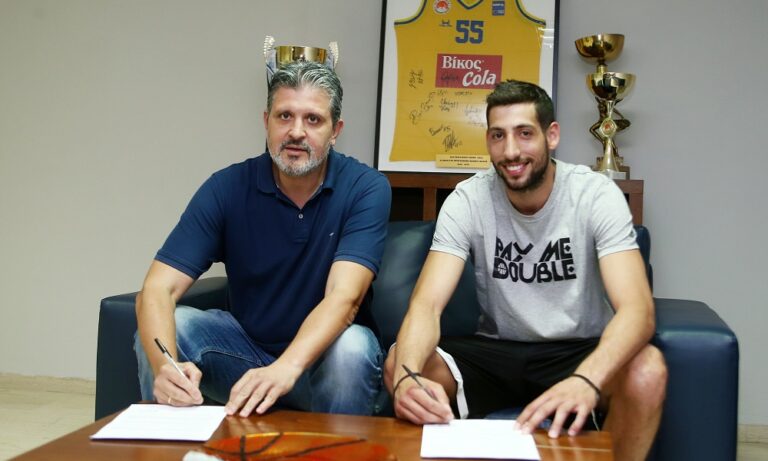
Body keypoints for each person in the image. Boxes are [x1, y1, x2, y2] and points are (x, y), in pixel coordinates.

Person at [384, 80, 666, 461]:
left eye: (525, 133)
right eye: (498, 136)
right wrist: (406, 379)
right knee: (401, 362)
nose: (511, 151)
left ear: (552, 136)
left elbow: (638, 310)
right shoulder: (468, 199)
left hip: (576, 350)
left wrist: (586, 378)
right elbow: (426, 305)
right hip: (497, 351)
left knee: (648, 370)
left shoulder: (595, 195)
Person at [135, 60, 391, 418]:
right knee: (170, 326)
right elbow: (157, 289)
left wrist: (286, 368)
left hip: (324, 365)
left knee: (353, 347)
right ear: (266, 121)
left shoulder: (365, 188)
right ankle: (165, 440)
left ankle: (338, 448)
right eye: (284, 116)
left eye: (313, 119)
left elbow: (344, 298)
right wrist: (165, 366)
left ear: (336, 130)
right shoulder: (226, 188)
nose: (296, 132)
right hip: (244, 356)